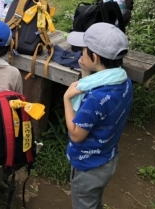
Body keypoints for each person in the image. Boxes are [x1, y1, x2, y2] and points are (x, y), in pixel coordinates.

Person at [63, 22, 133, 209]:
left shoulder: (96, 97)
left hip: (88, 166)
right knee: (94, 202)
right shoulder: (123, 81)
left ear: (94, 56)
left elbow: (76, 135)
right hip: (107, 157)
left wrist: (67, 98)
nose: (81, 53)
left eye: (84, 49)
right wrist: (86, 72)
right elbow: (98, 112)